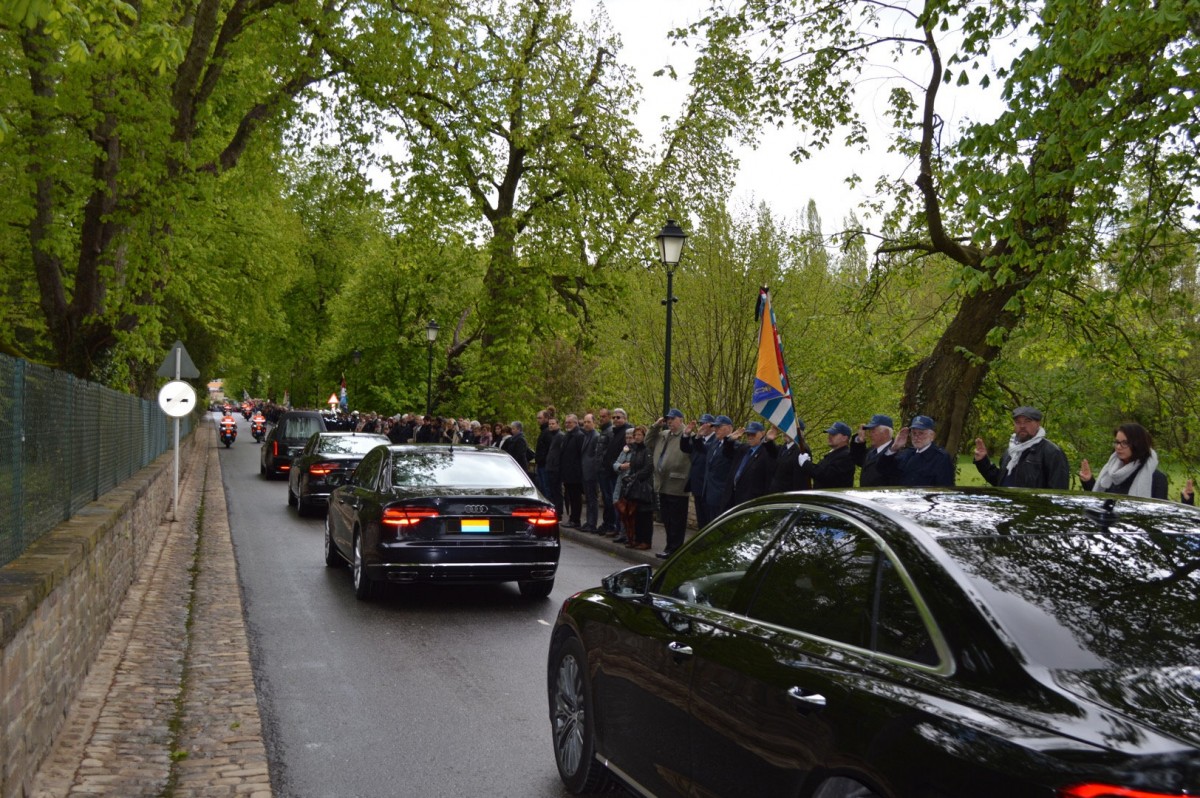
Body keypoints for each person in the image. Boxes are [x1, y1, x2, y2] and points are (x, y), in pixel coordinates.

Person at [974, 406, 1070, 489]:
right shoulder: (1010, 451)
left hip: (1032, 509)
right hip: (1008, 508)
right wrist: (983, 461)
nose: (1022, 426)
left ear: (1038, 424)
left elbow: (1058, 493)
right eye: (1018, 422)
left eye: (1027, 421)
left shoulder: (1052, 452)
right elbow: (1000, 482)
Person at [647, 409, 692, 558]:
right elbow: (648, 441)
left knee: (677, 520)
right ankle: (669, 547)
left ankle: (675, 549)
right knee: (666, 519)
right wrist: (656, 426)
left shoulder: (686, 435)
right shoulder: (664, 435)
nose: (670, 422)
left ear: (681, 419)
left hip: (677, 484)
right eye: (668, 419)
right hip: (663, 483)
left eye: (673, 419)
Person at [1079, 422, 1168, 498]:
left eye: (1125, 443)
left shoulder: (1156, 478)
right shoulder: (1112, 471)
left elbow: (1160, 514)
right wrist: (1088, 481)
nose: (1118, 447)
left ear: (1138, 444)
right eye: (1117, 442)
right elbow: (1100, 501)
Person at [880, 415, 956, 487]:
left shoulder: (940, 458)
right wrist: (894, 448)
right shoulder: (906, 454)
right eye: (914, 433)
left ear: (932, 436)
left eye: (921, 433)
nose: (917, 437)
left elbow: (945, 489)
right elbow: (883, 470)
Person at [722, 421, 778, 509]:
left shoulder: (766, 452)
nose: (750, 437)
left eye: (753, 434)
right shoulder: (743, 448)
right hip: (733, 497)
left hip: (751, 501)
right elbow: (727, 453)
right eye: (748, 434)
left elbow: (773, 453)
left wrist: (769, 440)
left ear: (762, 433)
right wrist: (730, 440)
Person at [619, 425, 655, 551]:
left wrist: (635, 477)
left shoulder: (647, 451)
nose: (637, 437)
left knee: (645, 515)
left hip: (644, 487)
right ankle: (636, 538)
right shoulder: (635, 451)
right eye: (635, 435)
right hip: (635, 487)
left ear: (644, 436)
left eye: (639, 435)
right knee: (636, 514)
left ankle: (646, 540)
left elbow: (648, 468)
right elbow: (632, 466)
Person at [680, 413, 717, 528]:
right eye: (701, 424)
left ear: (712, 427)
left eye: (705, 424)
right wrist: (686, 434)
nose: (702, 427)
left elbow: (704, 451)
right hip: (697, 483)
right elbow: (685, 448)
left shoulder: (715, 441)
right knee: (700, 517)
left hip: (707, 484)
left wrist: (698, 438)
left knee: (708, 519)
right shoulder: (697, 438)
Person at [798, 421, 857, 488]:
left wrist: (806, 464)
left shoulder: (846, 456)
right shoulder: (833, 454)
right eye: (829, 434)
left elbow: (825, 475)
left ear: (844, 438)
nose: (829, 437)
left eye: (834, 435)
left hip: (835, 497)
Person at [599, 408, 630, 535]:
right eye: (614, 418)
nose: (616, 420)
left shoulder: (626, 432)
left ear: (625, 419)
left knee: (618, 502)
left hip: (618, 473)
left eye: (619, 417)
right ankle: (615, 527)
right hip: (610, 471)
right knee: (612, 501)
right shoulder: (615, 432)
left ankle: (619, 529)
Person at [702, 415, 737, 521]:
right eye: (715, 427)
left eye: (719, 427)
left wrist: (729, 440)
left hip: (721, 496)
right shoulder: (714, 444)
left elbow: (729, 453)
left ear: (730, 428)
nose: (716, 430)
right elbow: (699, 449)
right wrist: (698, 436)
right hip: (708, 493)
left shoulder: (734, 446)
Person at [851, 414, 896, 487]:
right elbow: (857, 459)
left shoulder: (894, 452)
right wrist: (859, 441)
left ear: (886, 433)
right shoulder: (872, 451)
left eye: (873, 431)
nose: (870, 434)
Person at [770, 421, 812, 492]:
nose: (785, 432)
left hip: (788, 497)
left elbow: (800, 480)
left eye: (789, 430)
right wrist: (769, 440)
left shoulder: (802, 449)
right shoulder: (785, 447)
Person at [579, 413, 603, 532]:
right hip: (585, 472)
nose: (586, 424)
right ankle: (589, 521)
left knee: (592, 499)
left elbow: (595, 457)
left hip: (591, 473)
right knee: (588, 498)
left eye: (588, 422)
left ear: (594, 423)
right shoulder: (586, 436)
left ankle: (592, 523)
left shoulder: (595, 436)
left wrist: (593, 471)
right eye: (585, 422)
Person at [559, 414, 585, 527]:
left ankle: (575, 520)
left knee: (575, 498)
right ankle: (572, 518)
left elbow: (581, 454)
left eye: (569, 422)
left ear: (575, 423)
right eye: (566, 422)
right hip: (567, 472)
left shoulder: (579, 436)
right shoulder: (567, 436)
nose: (567, 425)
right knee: (570, 496)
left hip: (575, 472)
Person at [542, 416, 565, 519]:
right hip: (550, 467)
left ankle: (558, 512)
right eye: (549, 424)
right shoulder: (553, 436)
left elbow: (560, 453)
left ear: (558, 424)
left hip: (555, 468)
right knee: (552, 490)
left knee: (556, 491)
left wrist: (556, 466)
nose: (551, 426)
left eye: (553, 424)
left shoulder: (560, 436)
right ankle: (554, 511)